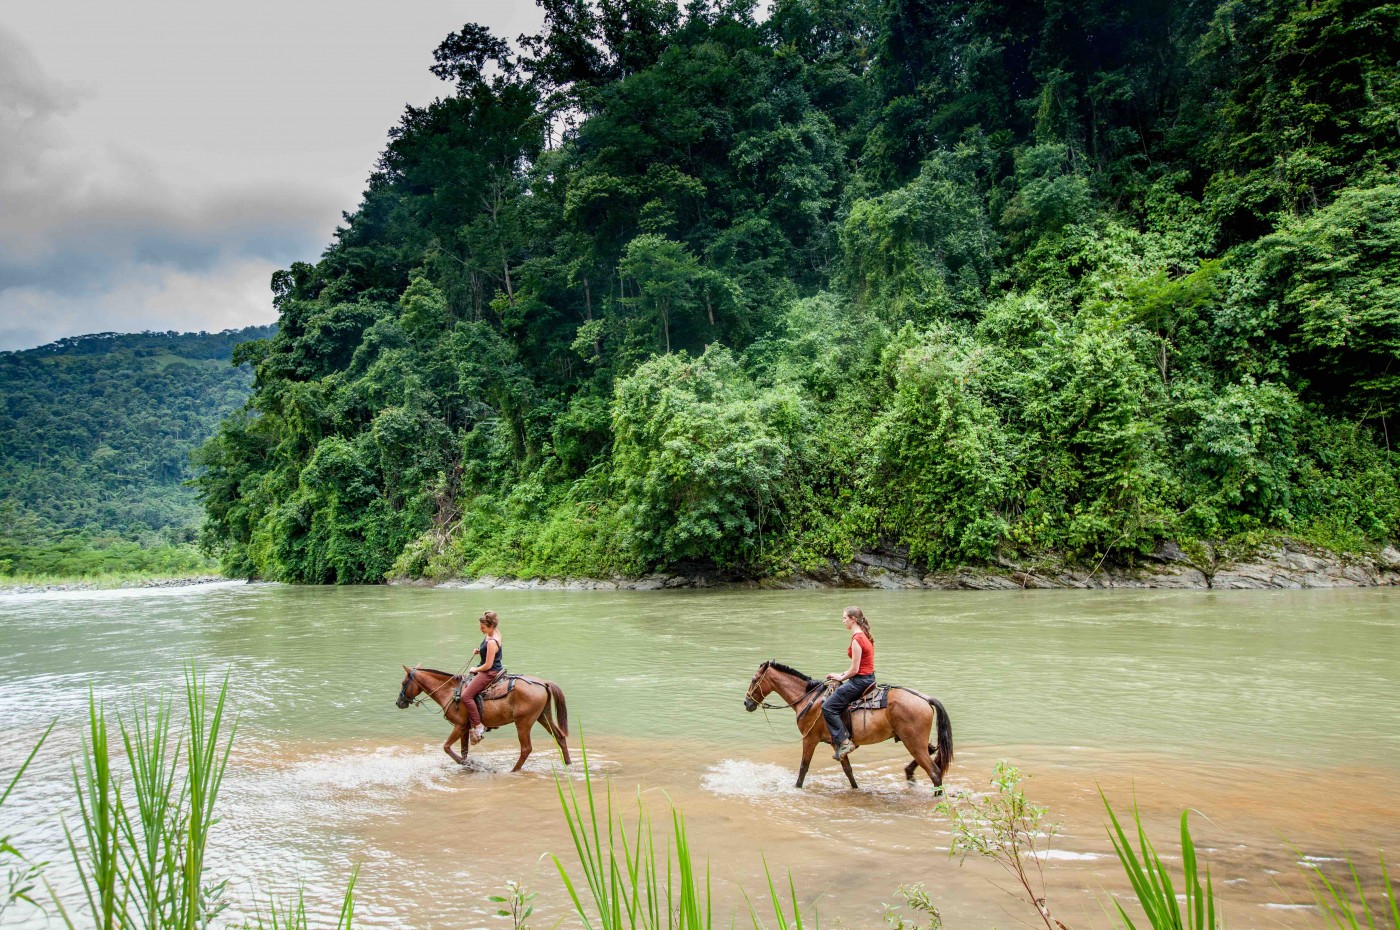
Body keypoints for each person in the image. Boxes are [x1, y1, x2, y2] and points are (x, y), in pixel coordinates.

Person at [822, 606, 875, 760]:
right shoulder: (863, 635)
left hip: (860, 681)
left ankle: (845, 742)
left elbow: (855, 669)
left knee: (828, 707)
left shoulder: (857, 639)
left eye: (845, 618)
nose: (843, 621)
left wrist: (840, 677)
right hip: (866, 678)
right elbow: (856, 669)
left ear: (853, 619)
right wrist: (840, 675)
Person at [458, 610, 505, 744]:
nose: (480, 629)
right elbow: (491, 653)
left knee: (465, 696)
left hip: (489, 672)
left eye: (483, 627)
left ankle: (478, 725)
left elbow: (488, 665)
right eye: (480, 627)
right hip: (493, 668)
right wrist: (480, 651)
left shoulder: (491, 642)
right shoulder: (495, 632)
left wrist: (475, 669)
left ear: (491, 626)